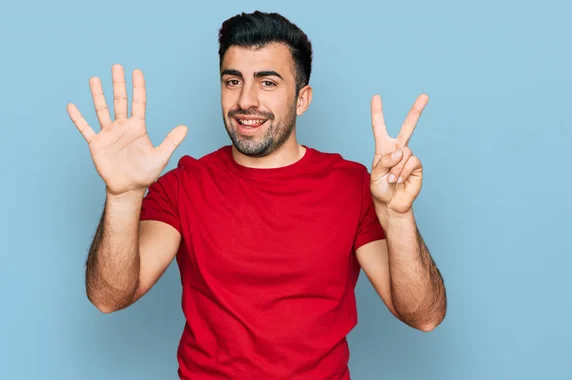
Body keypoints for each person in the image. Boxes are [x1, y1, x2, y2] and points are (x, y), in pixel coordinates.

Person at [67, 10, 446, 380]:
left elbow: (423, 315)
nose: (246, 100)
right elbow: (109, 297)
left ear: (302, 98)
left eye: (267, 82)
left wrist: (398, 218)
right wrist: (122, 195)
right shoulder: (184, 185)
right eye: (233, 81)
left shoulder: (353, 186)